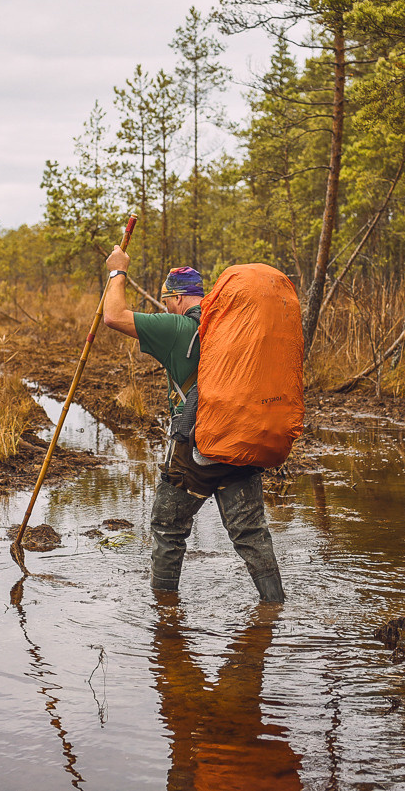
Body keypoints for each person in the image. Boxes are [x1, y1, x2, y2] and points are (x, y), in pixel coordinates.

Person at [101, 247, 285, 602]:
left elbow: (113, 315)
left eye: (167, 300)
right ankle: (274, 608)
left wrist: (117, 271)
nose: (166, 306)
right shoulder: (234, 327)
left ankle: (165, 615)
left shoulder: (177, 327)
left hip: (194, 453)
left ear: (178, 297)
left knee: (168, 530)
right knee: (252, 534)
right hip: (240, 446)